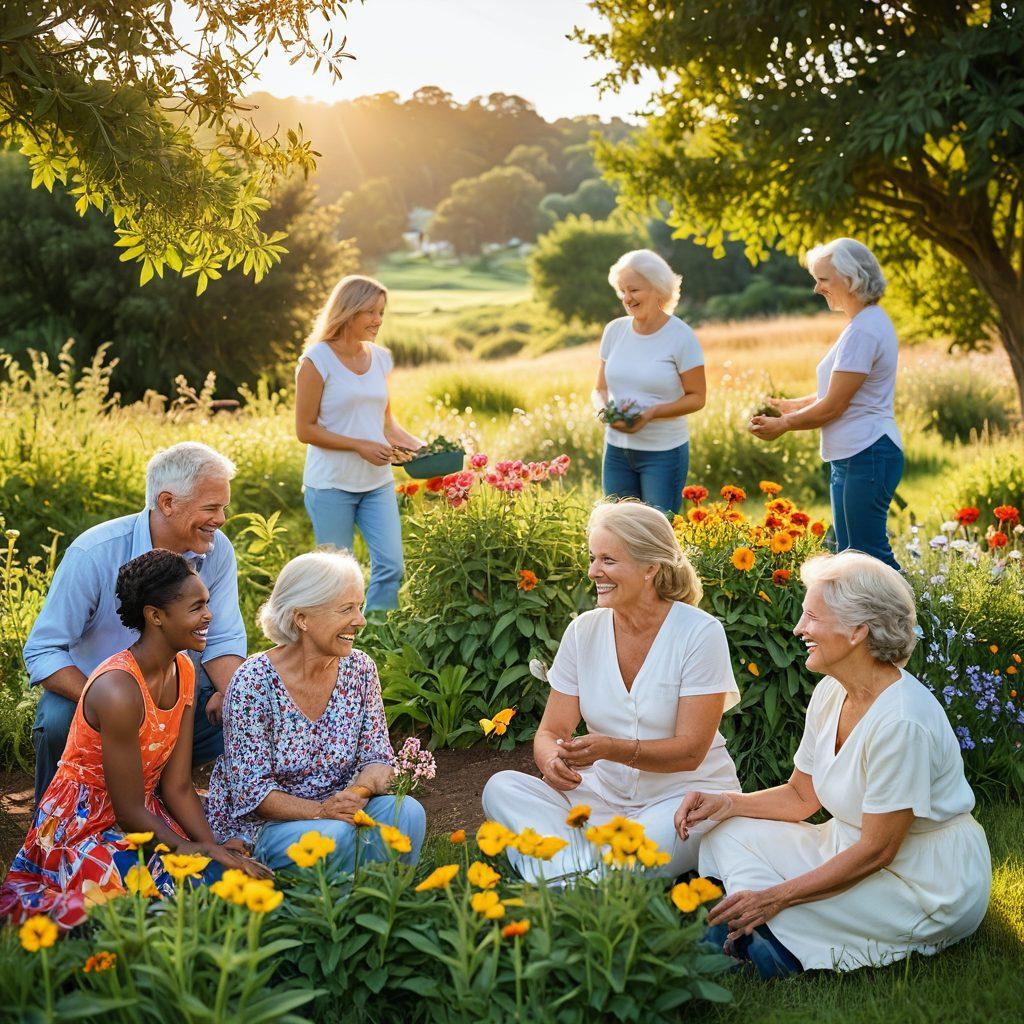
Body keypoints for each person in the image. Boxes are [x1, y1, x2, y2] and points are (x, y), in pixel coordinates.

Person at [677, 552, 991, 977]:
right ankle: (753, 924)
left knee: (787, 902)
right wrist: (726, 803)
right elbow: (800, 796)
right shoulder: (831, 691)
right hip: (848, 846)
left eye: (811, 617)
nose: (799, 628)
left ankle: (762, 936)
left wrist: (779, 895)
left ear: (857, 631)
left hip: (921, 884)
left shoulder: (901, 720)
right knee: (725, 832)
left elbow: (879, 850)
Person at [0, 550, 269, 928]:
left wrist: (213, 844)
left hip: (144, 812)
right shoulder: (118, 690)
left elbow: (176, 786)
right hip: (83, 824)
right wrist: (198, 850)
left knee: (227, 878)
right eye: (196, 607)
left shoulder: (185, 671)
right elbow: (127, 812)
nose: (208, 615)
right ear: (155, 615)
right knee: (150, 907)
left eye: (207, 604)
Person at [482, 500, 740, 883]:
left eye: (608, 560)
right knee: (501, 788)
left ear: (650, 568)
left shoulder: (699, 633)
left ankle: (566, 875)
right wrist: (551, 760)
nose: (593, 572)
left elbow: (690, 752)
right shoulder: (583, 631)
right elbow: (551, 731)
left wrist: (612, 749)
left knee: (631, 852)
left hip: (682, 800)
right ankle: (583, 877)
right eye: (592, 558)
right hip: (599, 796)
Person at [24, 442, 247, 803]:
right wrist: (110, 704)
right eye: (211, 507)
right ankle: (52, 828)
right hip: (94, 695)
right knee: (56, 723)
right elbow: (44, 650)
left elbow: (222, 639)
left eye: (223, 507)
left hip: (175, 695)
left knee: (243, 718)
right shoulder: (94, 553)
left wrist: (237, 697)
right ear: (167, 502)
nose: (221, 519)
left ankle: (185, 805)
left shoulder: (216, 549)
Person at [204, 549, 426, 872]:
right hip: (265, 827)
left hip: (339, 813)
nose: (360, 620)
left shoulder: (360, 669)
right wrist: (322, 810)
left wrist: (356, 793)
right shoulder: (253, 682)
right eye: (346, 609)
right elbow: (252, 793)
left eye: (359, 607)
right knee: (333, 837)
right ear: (302, 618)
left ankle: (383, 898)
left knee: (407, 813)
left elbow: (377, 759)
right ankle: (333, 908)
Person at [749, 238, 903, 569]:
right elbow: (837, 393)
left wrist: (784, 425)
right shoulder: (862, 324)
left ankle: (911, 622)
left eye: (823, 279)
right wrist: (787, 406)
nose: (817, 289)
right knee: (849, 558)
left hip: (869, 453)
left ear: (851, 279)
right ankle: (864, 623)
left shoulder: (864, 330)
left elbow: (834, 406)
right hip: (853, 454)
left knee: (869, 557)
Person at [295, 275, 424, 611]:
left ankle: (378, 636)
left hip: (376, 483)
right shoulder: (316, 360)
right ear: (348, 312)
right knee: (337, 578)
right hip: (331, 486)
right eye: (370, 312)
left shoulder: (380, 359)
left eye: (381, 312)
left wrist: (427, 449)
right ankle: (338, 639)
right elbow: (305, 429)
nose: (378, 320)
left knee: (392, 566)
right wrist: (359, 445)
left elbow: (386, 424)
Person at [594, 249, 707, 515]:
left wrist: (652, 413)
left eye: (634, 289)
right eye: (622, 290)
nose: (627, 298)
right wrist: (604, 412)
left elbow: (697, 397)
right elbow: (599, 388)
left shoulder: (681, 336)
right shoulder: (614, 331)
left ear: (658, 288)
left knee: (656, 534)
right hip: (616, 451)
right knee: (618, 530)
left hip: (663, 453)